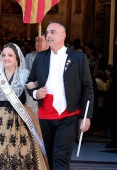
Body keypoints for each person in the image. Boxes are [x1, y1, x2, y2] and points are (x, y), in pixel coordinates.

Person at [0, 43, 49, 170]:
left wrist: (36, 90)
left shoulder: (24, 75)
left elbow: (32, 92)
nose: (6, 58)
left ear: (17, 58)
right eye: (4, 55)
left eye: (10, 55)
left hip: (20, 120)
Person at [27, 21, 94, 170]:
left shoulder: (78, 58)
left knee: (61, 157)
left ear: (63, 35)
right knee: (48, 157)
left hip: (69, 114)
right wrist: (35, 93)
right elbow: (30, 81)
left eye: (53, 32)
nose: (48, 35)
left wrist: (86, 116)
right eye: (47, 33)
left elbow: (87, 87)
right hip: (45, 114)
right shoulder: (40, 57)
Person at [25, 32, 49, 116]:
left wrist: (36, 83)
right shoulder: (29, 57)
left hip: (47, 95)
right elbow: (26, 76)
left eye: (40, 40)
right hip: (31, 97)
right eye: (36, 41)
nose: (37, 43)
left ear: (48, 42)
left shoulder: (52, 56)